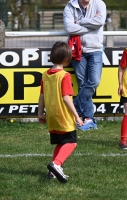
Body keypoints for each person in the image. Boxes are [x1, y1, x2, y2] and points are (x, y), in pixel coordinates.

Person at [38, 41, 84, 183]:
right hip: (63, 115)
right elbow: (66, 98)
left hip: (52, 115)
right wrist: (77, 116)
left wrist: (40, 113)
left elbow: (42, 96)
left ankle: (52, 173)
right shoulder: (64, 75)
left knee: (60, 142)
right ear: (67, 59)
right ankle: (56, 164)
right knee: (71, 142)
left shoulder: (46, 75)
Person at [63, 0, 106, 131]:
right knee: (82, 84)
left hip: (96, 50)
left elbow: (100, 22)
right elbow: (70, 28)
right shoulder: (69, 6)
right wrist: (91, 24)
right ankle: (88, 118)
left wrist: (80, 22)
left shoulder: (100, 4)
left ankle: (73, 106)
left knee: (94, 82)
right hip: (77, 51)